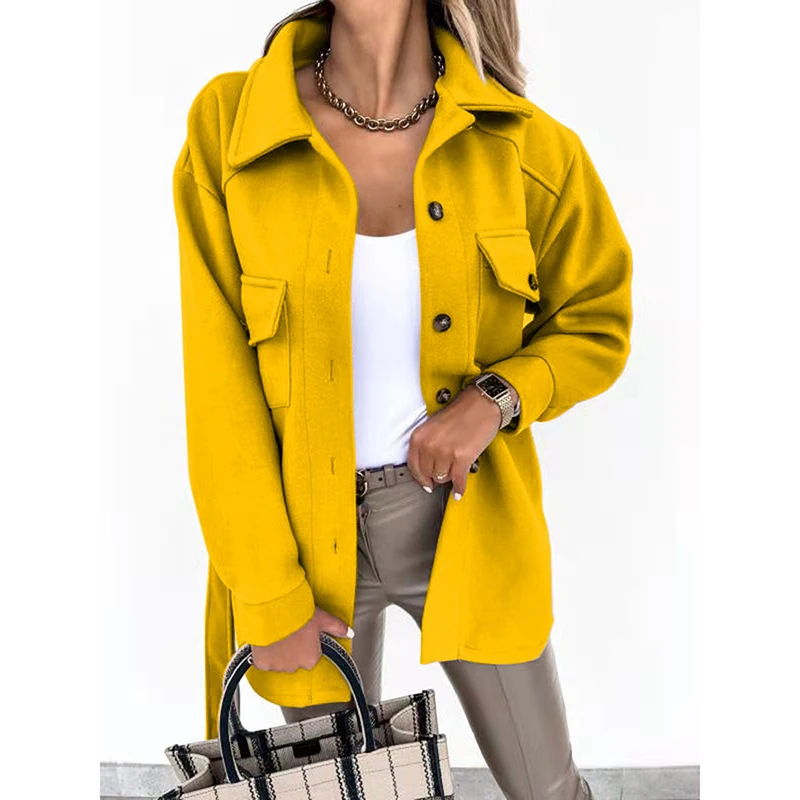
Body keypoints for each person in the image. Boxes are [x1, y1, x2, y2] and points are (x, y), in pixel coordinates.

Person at [173, 1, 632, 797]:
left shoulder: (523, 146)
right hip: (302, 549)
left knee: (548, 789)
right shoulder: (236, 126)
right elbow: (217, 386)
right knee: (336, 790)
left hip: (463, 523)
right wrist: (270, 595)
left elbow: (597, 319)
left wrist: (495, 399)